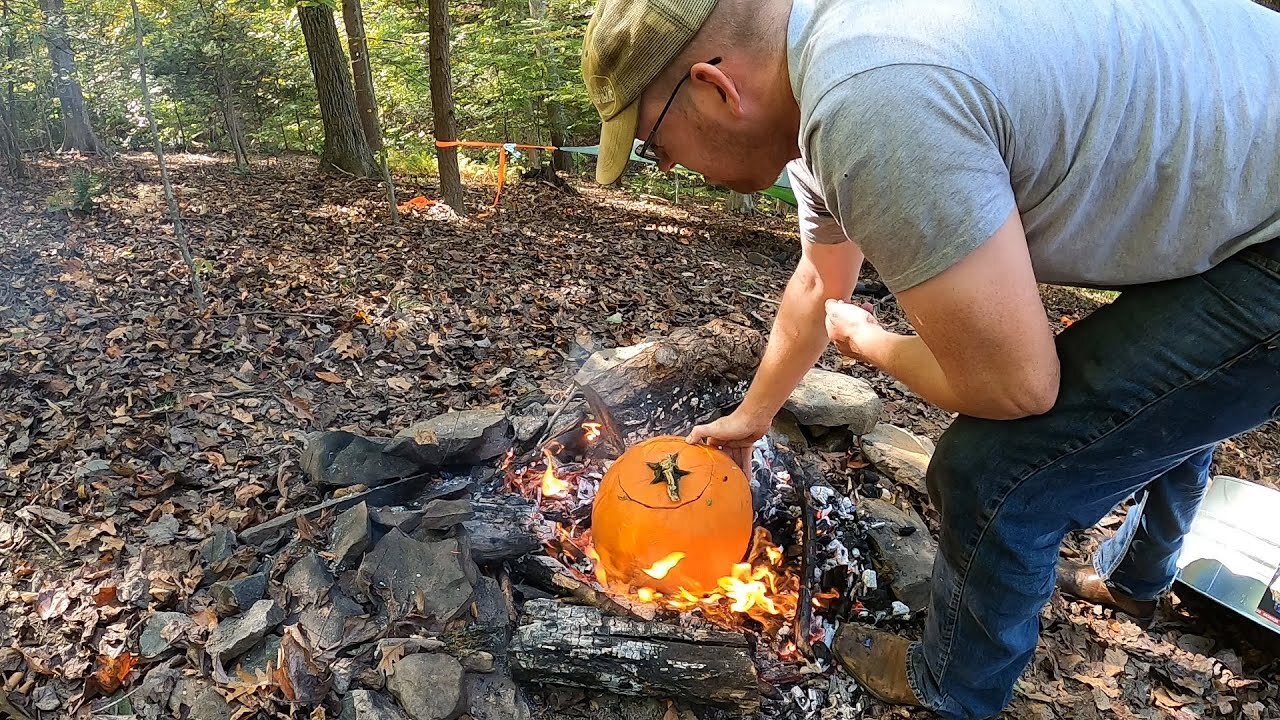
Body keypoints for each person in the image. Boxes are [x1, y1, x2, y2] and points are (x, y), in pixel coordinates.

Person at [579, 0, 1280, 717]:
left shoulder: (873, 98)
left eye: (652, 146)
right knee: (1162, 393)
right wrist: (753, 416)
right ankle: (1138, 575)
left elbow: (1014, 387)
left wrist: (868, 344)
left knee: (993, 470)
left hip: (1269, 239)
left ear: (714, 88)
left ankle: (953, 689)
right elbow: (822, 279)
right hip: (1241, 196)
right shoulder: (830, 73)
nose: (666, 166)